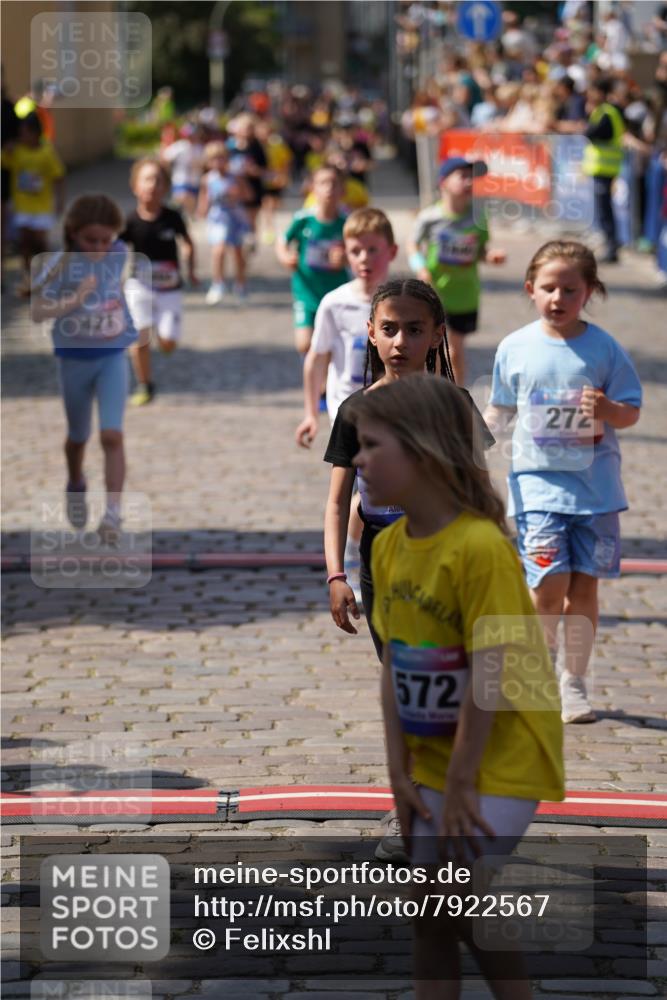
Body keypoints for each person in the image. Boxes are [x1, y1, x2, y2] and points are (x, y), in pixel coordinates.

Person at [348, 372, 564, 998]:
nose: (357, 458)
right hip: (436, 761)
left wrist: (464, 778)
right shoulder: (387, 548)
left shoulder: (479, 548)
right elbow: (396, 667)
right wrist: (398, 773)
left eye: (372, 445)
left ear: (424, 451)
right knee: (429, 911)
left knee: (457, 899)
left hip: (503, 756)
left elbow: (491, 669)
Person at [323, 279, 492, 863]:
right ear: (370, 332)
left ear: (436, 335)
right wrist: (335, 574)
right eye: (389, 328)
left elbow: (480, 492)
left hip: (445, 564)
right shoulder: (357, 410)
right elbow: (336, 500)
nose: (400, 341)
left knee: (439, 690)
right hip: (379, 563)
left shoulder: (455, 405)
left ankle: (435, 804)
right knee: (407, 689)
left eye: (414, 329)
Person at [485, 241, 642, 724]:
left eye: (570, 289)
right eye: (548, 287)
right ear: (530, 289)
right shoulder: (514, 346)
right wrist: (465, 445)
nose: (558, 297)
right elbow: (501, 408)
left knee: (584, 591)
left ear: (589, 292)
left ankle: (572, 683)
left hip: (595, 495)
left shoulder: (604, 348)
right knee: (548, 584)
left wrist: (608, 411)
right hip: (537, 488)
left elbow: (630, 410)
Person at [295, 207, 398, 602]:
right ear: (345, 253)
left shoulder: (402, 301)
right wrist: (310, 411)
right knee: (355, 493)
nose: (364, 259)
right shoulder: (334, 304)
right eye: (356, 251)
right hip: (347, 413)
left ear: (391, 251)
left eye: (373, 250)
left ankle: (361, 556)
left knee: (370, 493)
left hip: (393, 413)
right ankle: (352, 559)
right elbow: (318, 358)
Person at [31, 194, 138, 543]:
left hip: (112, 356)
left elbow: (132, 225)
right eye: (91, 240)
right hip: (74, 360)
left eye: (106, 240)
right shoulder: (60, 264)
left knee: (112, 434)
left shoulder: (118, 253)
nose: (99, 247)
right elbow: (37, 311)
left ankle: (112, 516)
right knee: (78, 437)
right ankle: (75, 481)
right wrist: (74, 300)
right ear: (74, 234)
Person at [409, 157, 506, 386]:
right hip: (434, 294)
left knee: (454, 351)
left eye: (471, 177)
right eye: (462, 176)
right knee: (432, 349)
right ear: (443, 183)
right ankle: (433, 392)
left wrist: (490, 256)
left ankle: (457, 396)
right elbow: (412, 244)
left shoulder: (478, 218)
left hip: (464, 295)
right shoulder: (430, 218)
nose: (469, 181)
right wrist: (420, 266)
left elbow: (481, 250)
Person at [121, 157, 198, 406]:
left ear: (166, 187)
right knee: (139, 339)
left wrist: (190, 263)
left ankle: (165, 340)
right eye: (147, 179)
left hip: (169, 290)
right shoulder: (130, 220)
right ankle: (145, 384)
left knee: (167, 341)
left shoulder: (172, 217)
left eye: (158, 180)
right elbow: (115, 248)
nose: (152, 185)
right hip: (139, 287)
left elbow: (188, 242)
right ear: (135, 186)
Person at [276, 164, 348, 356]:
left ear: (343, 190)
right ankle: (315, 381)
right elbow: (282, 241)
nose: (329, 188)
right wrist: (285, 256)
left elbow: (360, 253)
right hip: (306, 294)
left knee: (334, 347)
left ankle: (326, 383)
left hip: (336, 293)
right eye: (323, 183)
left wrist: (346, 258)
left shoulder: (347, 223)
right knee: (304, 344)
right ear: (313, 188)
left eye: (334, 183)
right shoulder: (303, 219)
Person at [1, 112, 64, 295]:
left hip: (42, 207)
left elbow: (58, 176)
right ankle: (28, 279)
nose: (22, 137)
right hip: (22, 206)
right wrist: (7, 149)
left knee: (40, 243)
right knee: (25, 244)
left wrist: (60, 201)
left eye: (25, 133)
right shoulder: (16, 152)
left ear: (36, 133)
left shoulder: (46, 152)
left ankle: (44, 276)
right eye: (20, 133)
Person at [198, 140, 250, 304]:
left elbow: (247, 195)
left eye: (221, 159)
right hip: (218, 217)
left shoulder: (235, 178)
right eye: (214, 159)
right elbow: (205, 198)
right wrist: (202, 210)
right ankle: (218, 283)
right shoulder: (208, 179)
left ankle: (240, 285)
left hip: (234, 217)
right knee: (218, 251)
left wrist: (236, 194)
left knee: (238, 253)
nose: (218, 163)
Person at [582, 78, 626, 263]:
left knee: (605, 210)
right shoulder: (604, 111)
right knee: (603, 210)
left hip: (606, 168)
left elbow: (594, 133)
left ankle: (612, 248)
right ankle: (610, 245)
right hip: (602, 167)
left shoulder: (607, 112)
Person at [161, 124, 205, 217]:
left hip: (195, 180)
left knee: (191, 203)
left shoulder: (200, 148)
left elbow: (206, 163)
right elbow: (165, 157)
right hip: (180, 179)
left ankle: (188, 217)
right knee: (183, 197)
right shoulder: (179, 146)